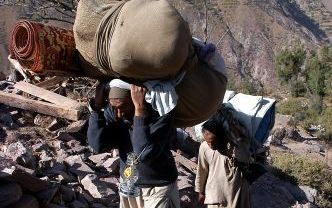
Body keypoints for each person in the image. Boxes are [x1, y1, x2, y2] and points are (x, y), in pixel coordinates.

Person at [87, 79, 180, 208]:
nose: (119, 113)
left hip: (157, 189)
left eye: (123, 107)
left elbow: (143, 153)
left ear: (136, 100)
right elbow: (97, 145)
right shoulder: (116, 113)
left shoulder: (160, 114)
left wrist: (139, 112)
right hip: (128, 187)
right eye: (114, 108)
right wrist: (96, 110)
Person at [194, 112, 251, 208]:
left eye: (213, 142)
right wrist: (200, 191)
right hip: (215, 196)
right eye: (208, 142)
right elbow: (202, 170)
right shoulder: (204, 147)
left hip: (236, 195)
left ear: (222, 137)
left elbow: (246, 158)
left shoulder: (235, 147)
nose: (211, 146)